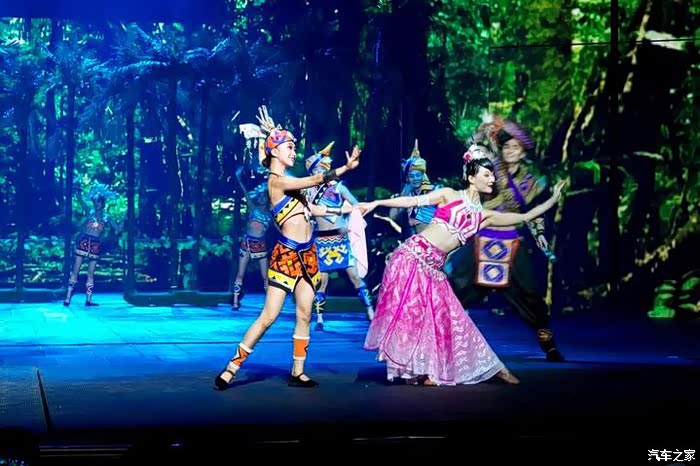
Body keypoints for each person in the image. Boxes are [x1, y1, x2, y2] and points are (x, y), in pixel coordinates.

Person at [358, 147, 566, 386]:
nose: (492, 179)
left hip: (433, 269)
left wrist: (552, 199)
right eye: (487, 174)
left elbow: (524, 217)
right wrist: (376, 203)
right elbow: (411, 201)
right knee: (415, 318)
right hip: (412, 258)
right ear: (471, 177)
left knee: (449, 320)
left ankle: (485, 368)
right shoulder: (449, 195)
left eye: (492, 174)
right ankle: (422, 371)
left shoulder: (484, 216)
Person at [214, 106, 359, 390]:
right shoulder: (277, 182)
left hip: (308, 253)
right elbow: (314, 179)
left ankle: (298, 371)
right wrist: (343, 169)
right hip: (287, 255)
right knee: (269, 316)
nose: (294, 151)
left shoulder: (291, 185)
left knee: (305, 313)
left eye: (293, 146)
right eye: (289, 147)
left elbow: (309, 208)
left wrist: (342, 209)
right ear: (274, 151)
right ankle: (232, 368)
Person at [444, 116, 565, 362]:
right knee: (457, 286)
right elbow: (472, 148)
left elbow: (532, 215)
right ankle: (438, 339)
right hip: (481, 236)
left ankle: (549, 345)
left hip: (511, 240)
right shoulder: (489, 168)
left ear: (523, 153)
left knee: (530, 294)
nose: (510, 151)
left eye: (515, 148)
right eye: (506, 146)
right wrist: (484, 132)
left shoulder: (533, 182)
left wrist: (541, 238)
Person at [305, 141, 374, 329]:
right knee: (322, 281)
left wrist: (348, 212)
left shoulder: (339, 187)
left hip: (341, 239)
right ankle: (319, 318)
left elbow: (358, 206)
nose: (320, 172)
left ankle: (370, 310)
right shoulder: (308, 191)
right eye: (317, 169)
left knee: (354, 277)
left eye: (323, 169)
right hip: (321, 240)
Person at [64, 183, 124, 307]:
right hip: (84, 241)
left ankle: (88, 299)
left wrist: (125, 218)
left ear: (103, 203)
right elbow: (80, 200)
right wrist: (77, 191)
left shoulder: (106, 217)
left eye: (99, 202)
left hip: (95, 244)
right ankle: (68, 297)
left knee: (91, 272)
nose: (96, 204)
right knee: (76, 269)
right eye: (95, 202)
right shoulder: (90, 212)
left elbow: (118, 229)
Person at [232, 166, 272, 310]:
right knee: (240, 273)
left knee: (265, 276)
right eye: (259, 197)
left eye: (264, 196)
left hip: (261, 245)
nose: (261, 198)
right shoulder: (252, 208)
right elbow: (245, 192)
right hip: (247, 243)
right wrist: (239, 179)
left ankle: (268, 304)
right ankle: (235, 302)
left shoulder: (270, 214)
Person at [380, 140, 439, 237]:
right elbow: (393, 215)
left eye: (418, 175)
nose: (415, 179)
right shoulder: (409, 194)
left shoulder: (435, 192)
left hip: (434, 237)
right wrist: (404, 192)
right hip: (416, 237)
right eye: (411, 176)